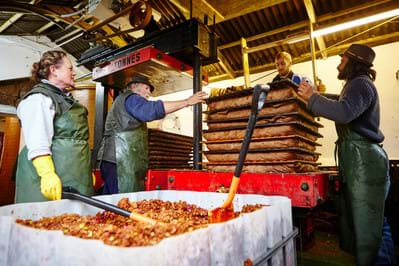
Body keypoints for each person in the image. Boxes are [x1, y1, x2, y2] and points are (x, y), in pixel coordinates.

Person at [297, 44, 395, 265]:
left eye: (342, 60)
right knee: (374, 222)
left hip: (366, 163)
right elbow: (341, 102)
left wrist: (313, 98)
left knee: (372, 225)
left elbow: (344, 112)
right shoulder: (354, 85)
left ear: (353, 62)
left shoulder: (361, 84)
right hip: (360, 162)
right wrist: (314, 96)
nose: (339, 63)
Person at [97, 74, 207, 195]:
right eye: (146, 88)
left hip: (116, 160)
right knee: (119, 201)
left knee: (111, 199)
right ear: (134, 86)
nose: (148, 93)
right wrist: (187, 102)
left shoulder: (122, 100)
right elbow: (150, 110)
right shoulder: (131, 98)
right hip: (119, 161)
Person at [15, 50, 94, 203]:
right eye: (70, 68)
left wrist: (83, 171)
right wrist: (47, 174)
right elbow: (38, 141)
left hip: (73, 176)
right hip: (53, 178)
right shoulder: (39, 99)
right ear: (54, 70)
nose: (74, 73)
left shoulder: (64, 99)